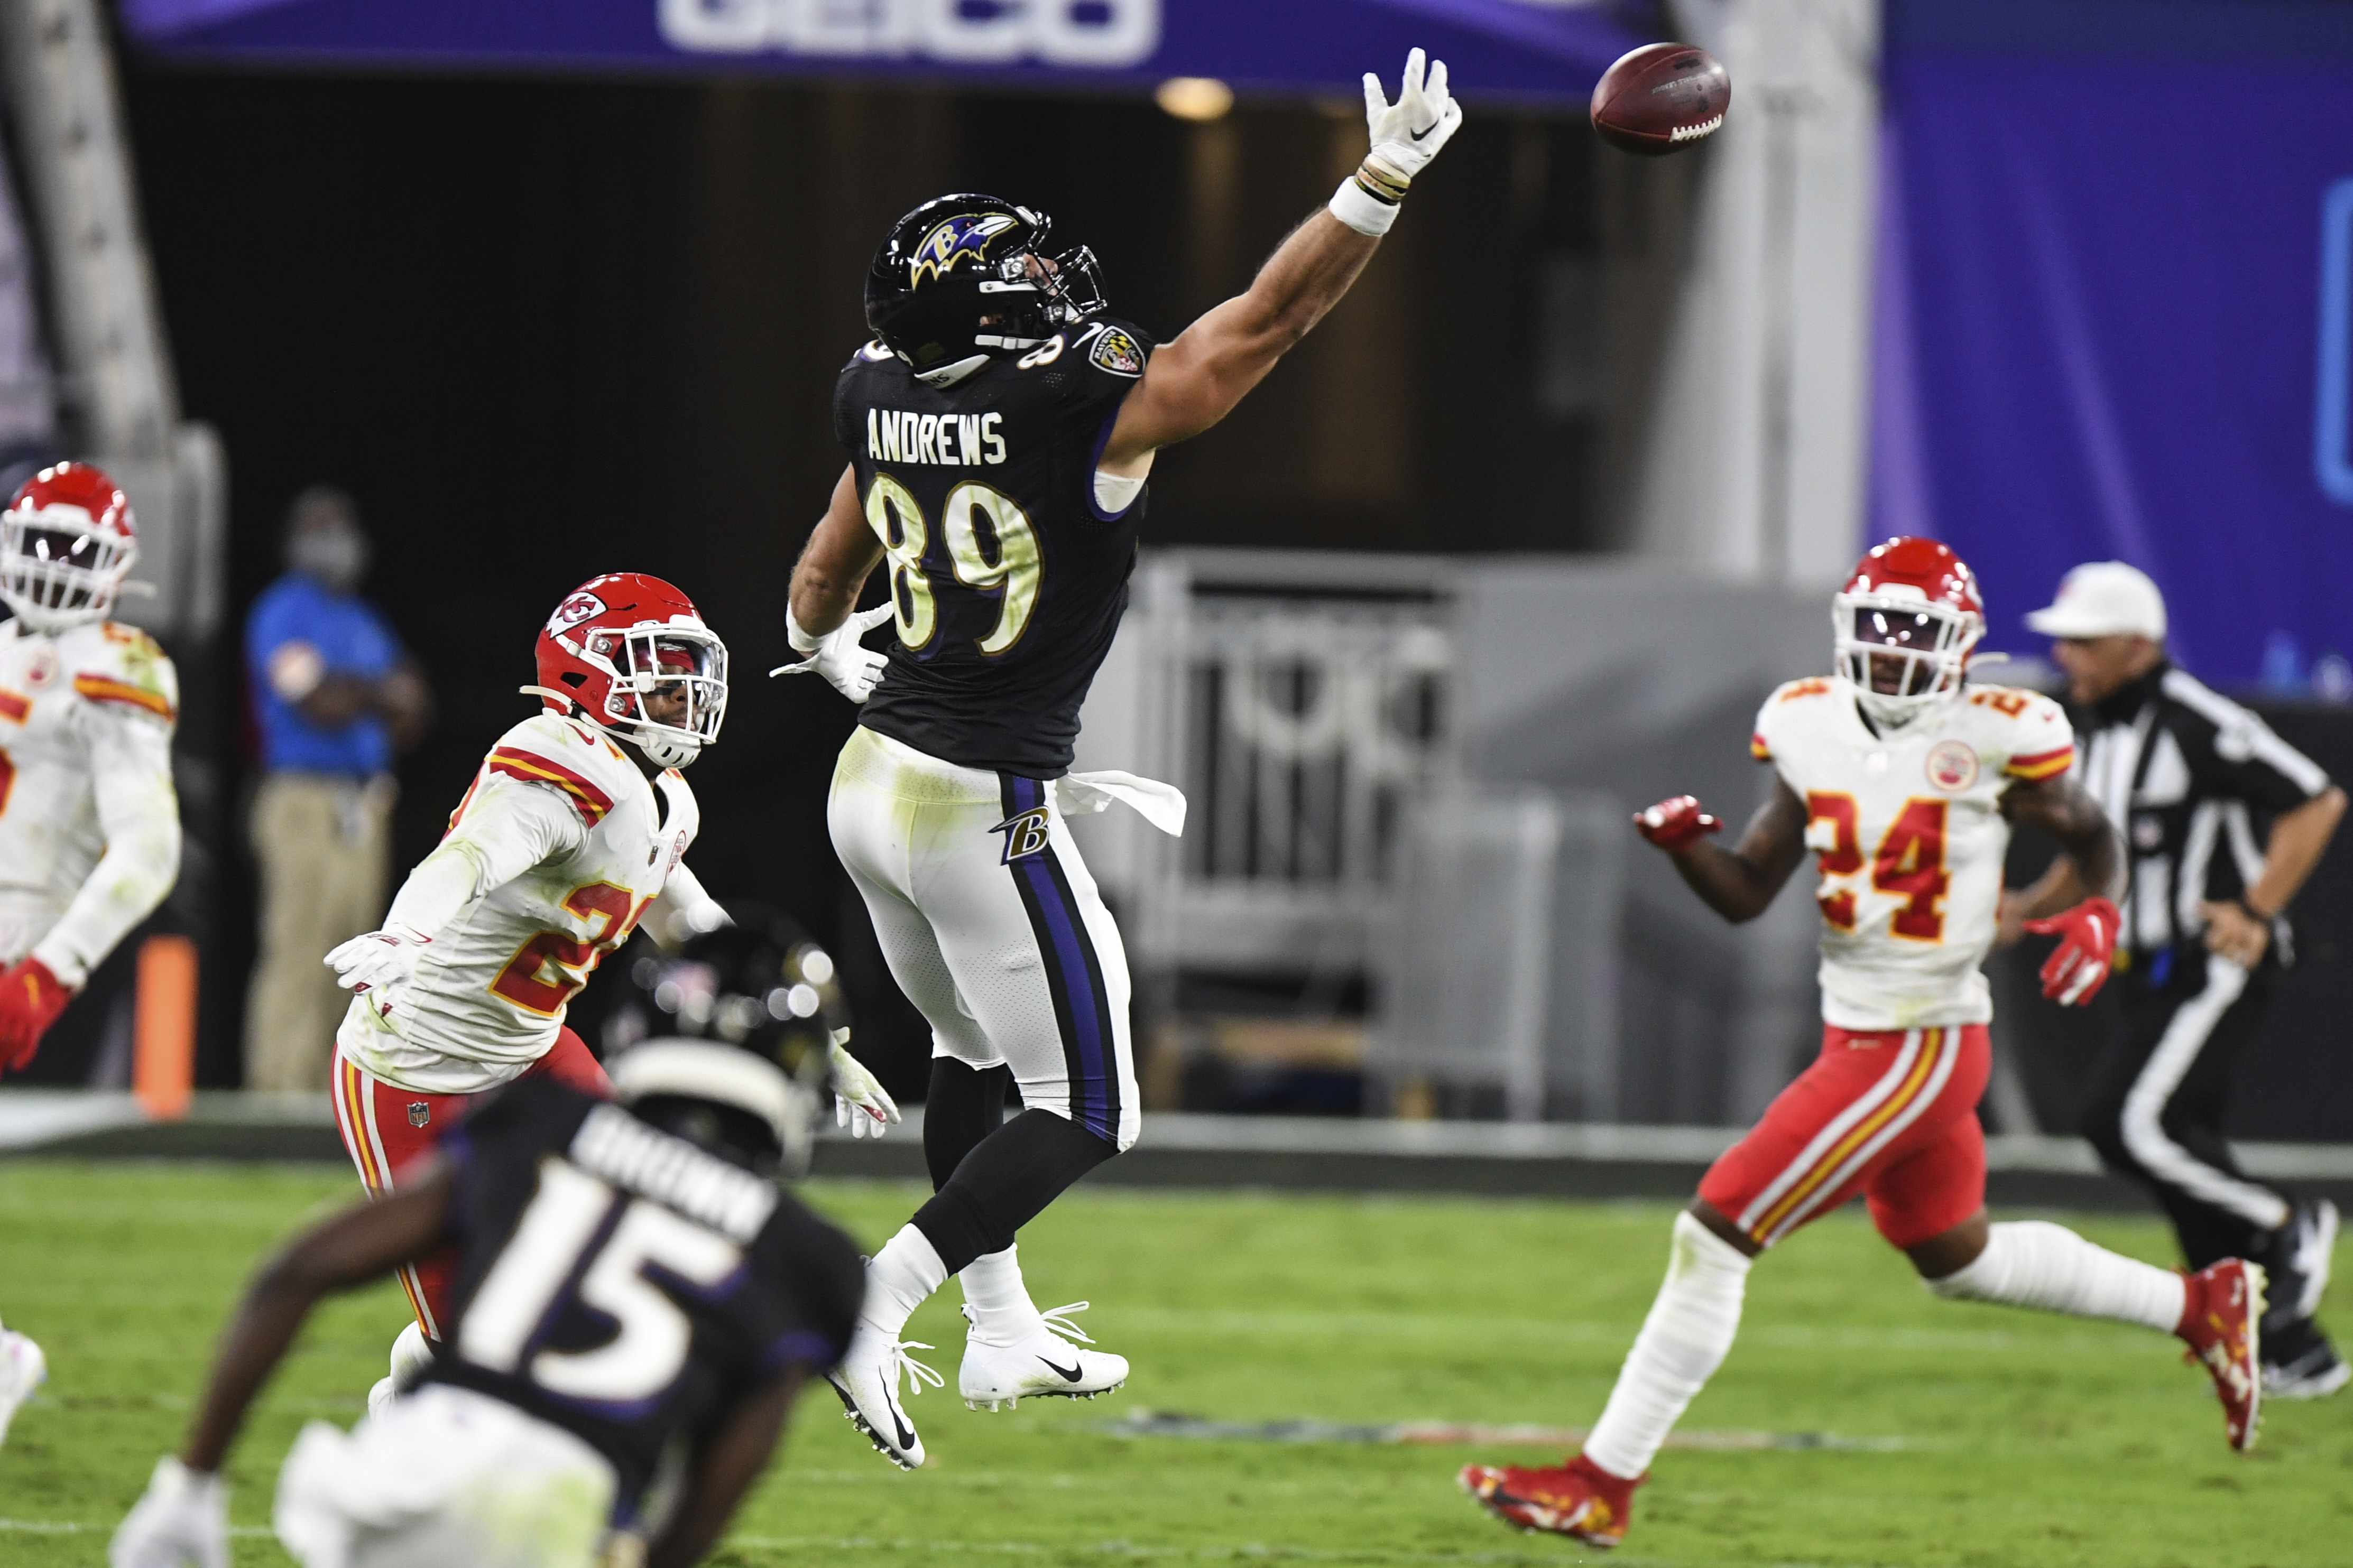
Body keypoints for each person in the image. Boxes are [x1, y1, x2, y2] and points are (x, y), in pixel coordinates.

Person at [778, 50, 1465, 1469]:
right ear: (981, 310)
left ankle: (1003, 1322)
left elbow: (817, 570)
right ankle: (876, 1299)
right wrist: (1378, 179)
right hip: (978, 799)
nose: (1048, 285)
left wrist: (830, 643)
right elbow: (1264, 327)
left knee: (968, 1049)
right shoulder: (1071, 399)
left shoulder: (870, 383)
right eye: (1018, 275)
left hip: (868, 779)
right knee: (1090, 1101)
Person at [1460, 539, 2266, 1549]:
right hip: (1865, 1028)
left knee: (1712, 1235)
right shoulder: (1804, 722)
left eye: (1915, 632)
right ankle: (2201, 1303)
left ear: (1962, 646)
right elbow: (1751, 892)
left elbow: (2088, 832)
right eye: (1878, 628)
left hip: (1916, 1040)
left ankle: (1599, 1482)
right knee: (1955, 1256)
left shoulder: (2000, 730)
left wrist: (2093, 911)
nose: (1891, 652)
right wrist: (1685, 853)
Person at [106, 924, 868, 1568]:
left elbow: (302, 1267)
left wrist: (192, 1482)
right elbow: (708, 1498)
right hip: (560, 1517)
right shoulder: (807, 1254)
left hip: (403, 1472)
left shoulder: (538, 1123)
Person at [318, 573, 899, 1411]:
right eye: (659, 670)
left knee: (658, 1204)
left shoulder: (660, 795)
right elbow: (465, 860)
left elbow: (689, 918)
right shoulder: (556, 766)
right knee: (485, 1334)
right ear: (587, 675)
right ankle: (411, 1409)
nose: (681, 691)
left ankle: (812, 1337)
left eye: (685, 669)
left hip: (535, 1050)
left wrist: (814, 1042)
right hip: (417, 1069)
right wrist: (408, 933)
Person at [2015, 561, 2347, 1398]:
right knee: (2177, 1147)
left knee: (2123, 1122)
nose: (2067, 655)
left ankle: (2286, 1223)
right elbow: (2095, 844)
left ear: (2137, 646)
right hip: (2146, 970)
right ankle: (2286, 1344)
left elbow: (2315, 799)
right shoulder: (2092, 728)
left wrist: (2255, 908)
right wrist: (2022, 909)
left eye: (2084, 641)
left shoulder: (2194, 718)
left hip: (2211, 961)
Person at [0, 461, 183, 1448]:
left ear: (118, 568)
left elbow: (149, 846)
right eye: (41, 542)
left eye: (77, 549)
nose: (54, 567)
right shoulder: (5, 652)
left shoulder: (122, 662)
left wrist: (53, 968)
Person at [244, 487, 432, 1092]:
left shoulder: (363, 619)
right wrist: (376, 695)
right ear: (295, 540)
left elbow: (413, 709)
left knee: (358, 958)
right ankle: (276, 1096)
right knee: (299, 951)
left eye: (342, 527)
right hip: (303, 798)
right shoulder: (282, 611)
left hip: (365, 802)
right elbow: (318, 701)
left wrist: (365, 694)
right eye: (320, 528)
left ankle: (333, 1097)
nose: (337, 541)